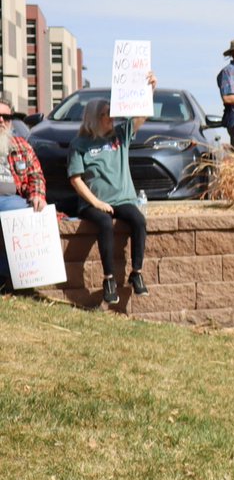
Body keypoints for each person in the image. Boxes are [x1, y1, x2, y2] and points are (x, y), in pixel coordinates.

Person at [67, 73, 158, 306]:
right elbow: (75, 179)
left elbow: (141, 115)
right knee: (105, 223)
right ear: (95, 118)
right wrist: (96, 203)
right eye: (108, 113)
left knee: (138, 220)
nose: (112, 117)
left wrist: (150, 90)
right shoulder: (80, 144)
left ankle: (136, 272)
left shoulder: (120, 135)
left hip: (123, 199)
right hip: (93, 204)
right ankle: (108, 280)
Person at [0, 94, 48, 290]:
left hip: (13, 200)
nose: (1, 121)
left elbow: (36, 175)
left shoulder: (22, 146)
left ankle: (20, 277)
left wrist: (37, 194)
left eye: (6, 117)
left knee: (23, 215)